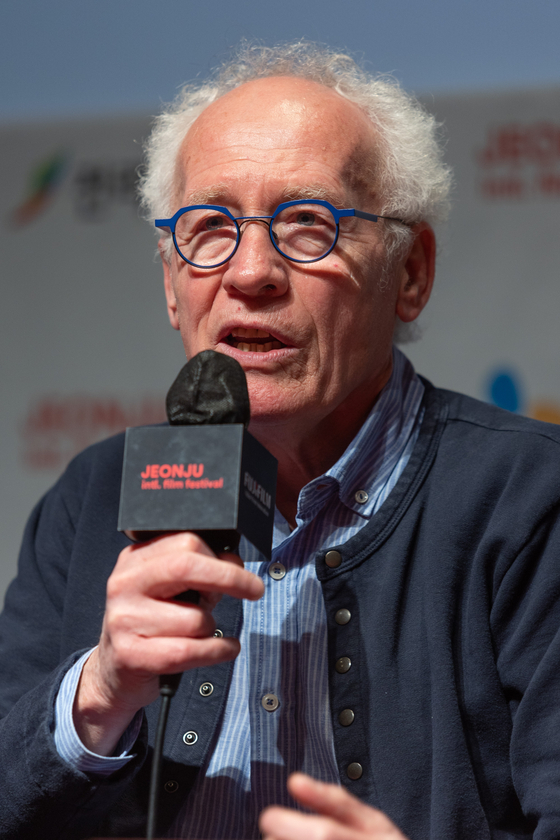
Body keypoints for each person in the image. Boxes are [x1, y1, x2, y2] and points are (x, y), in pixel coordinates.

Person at [2, 41, 560, 840]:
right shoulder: (96, 495)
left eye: (307, 224)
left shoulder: (531, 498)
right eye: (209, 228)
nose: (251, 272)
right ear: (171, 283)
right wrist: (96, 694)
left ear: (411, 273)